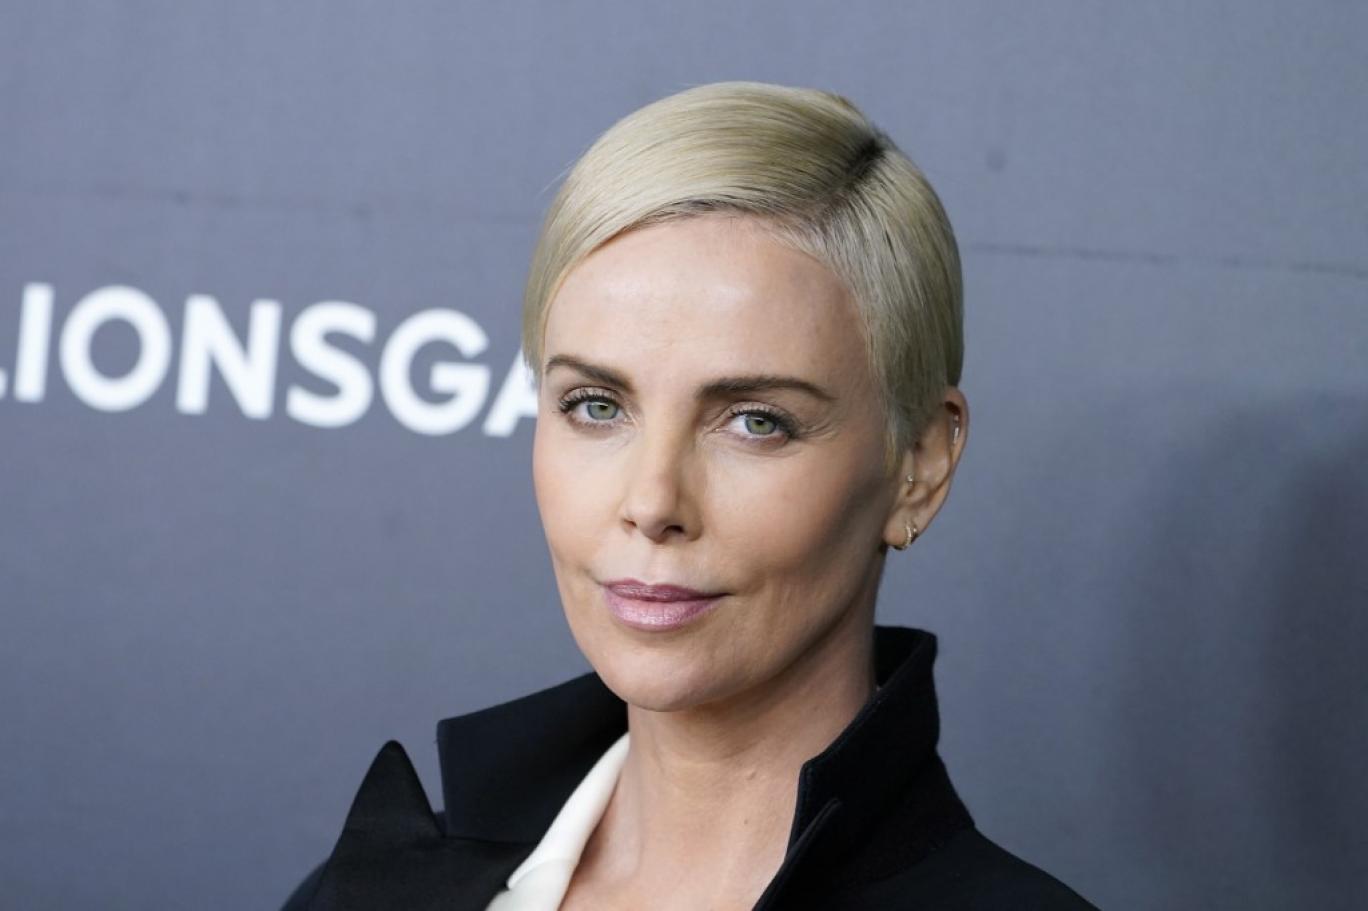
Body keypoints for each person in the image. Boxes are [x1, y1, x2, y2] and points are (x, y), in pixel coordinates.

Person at [282, 81, 1097, 910]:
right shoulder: (366, 890)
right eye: (596, 406)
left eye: (755, 422)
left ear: (918, 464)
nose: (652, 500)